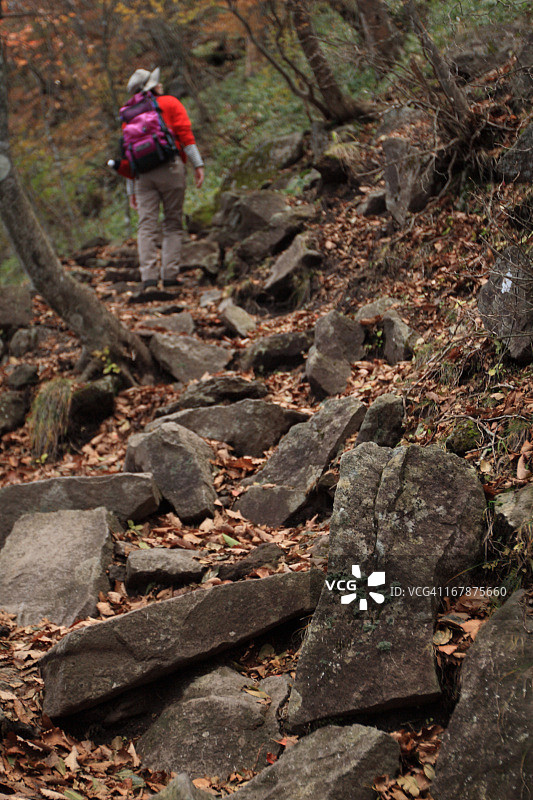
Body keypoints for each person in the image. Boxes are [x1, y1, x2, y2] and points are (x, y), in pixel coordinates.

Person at [124, 67, 205, 289]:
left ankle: (148, 278)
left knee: (146, 226)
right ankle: (169, 276)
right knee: (172, 223)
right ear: (152, 86)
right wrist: (198, 164)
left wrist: (131, 190)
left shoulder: (129, 114)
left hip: (142, 176)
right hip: (170, 169)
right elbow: (185, 136)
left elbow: (128, 153)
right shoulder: (169, 103)